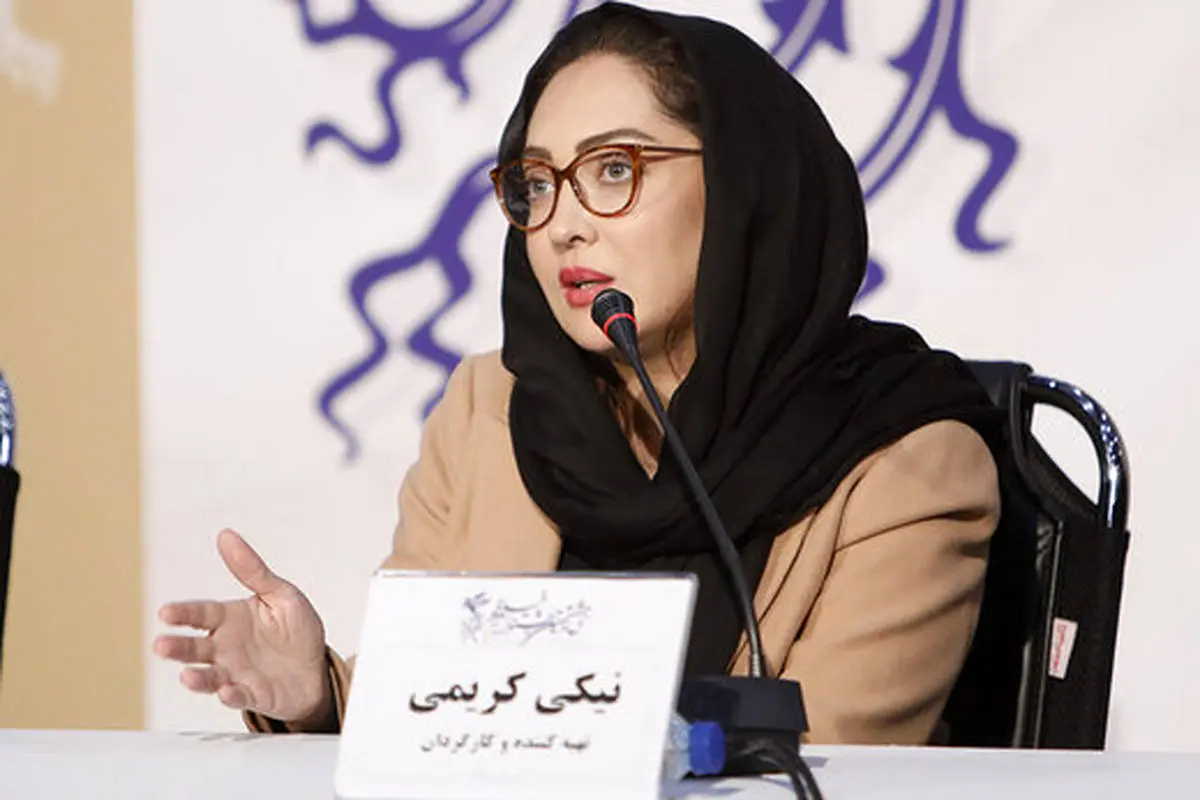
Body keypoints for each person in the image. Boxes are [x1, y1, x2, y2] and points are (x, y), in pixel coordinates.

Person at [153, 1, 1005, 745]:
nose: (562, 225)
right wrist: (321, 700)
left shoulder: (909, 466)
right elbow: (428, 713)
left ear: (744, 185)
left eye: (614, 169)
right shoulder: (491, 413)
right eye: (538, 183)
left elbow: (829, 763)